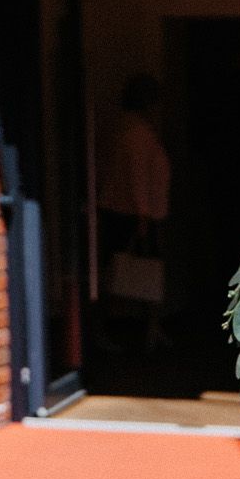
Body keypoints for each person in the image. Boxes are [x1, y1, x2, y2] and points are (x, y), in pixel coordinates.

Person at [98, 74, 171, 349]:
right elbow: (137, 177)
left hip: (129, 211)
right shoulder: (138, 135)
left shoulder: (127, 131)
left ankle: (147, 327)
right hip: (135, 214)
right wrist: (142, 215)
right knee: (130, 271)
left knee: (126, 270)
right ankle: (138, 328)